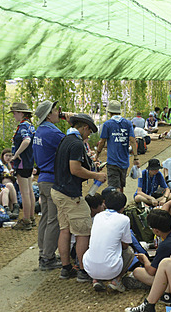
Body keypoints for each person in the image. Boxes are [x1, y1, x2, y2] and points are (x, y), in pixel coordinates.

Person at [52, 114, 106, 283]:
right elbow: (75, 169)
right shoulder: (76, 143)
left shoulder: (65, 139)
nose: (88, 135)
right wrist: (96, 174)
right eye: (89, 131)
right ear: (84, 127)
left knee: (65, 229)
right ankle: (83, 270)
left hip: (58, 190)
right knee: (84, 231)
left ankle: (66, 268)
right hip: (70, 195)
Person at [33, 100, 73, 271]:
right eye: (56, 110)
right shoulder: (53, 133)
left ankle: (43, 252)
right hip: (52, 181)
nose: (59, 112)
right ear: (49, 115)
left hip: (42, 178)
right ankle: (47, 258)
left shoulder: (39, 131)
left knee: (45, 218)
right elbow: (71, 145)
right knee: (54, 220)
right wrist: (72, 124)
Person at [130, 209, 171, 288]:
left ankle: (162, 287)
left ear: (156, 231)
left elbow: (151, 271)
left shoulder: (165, 245)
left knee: (137, 272)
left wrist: (144, 259)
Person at [83, 191, 133, 292]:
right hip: (111, 269)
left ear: (105, 203)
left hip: (89, 267)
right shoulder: (124, 219)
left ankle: (95, 280)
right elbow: (125, 245)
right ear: (122, 207)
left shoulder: (98, 216)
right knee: (130, 253)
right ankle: (116, 280)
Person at [95, 100, 139, 193]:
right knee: (121, 186)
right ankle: (121, 205)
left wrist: (97, 154)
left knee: (114, 188)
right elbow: (132, 140)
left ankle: (116, 206)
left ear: (109, 112)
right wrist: (135, 157)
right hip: (124, 161)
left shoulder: (107, 124)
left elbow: (102, 142)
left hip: (113, 161)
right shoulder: (128, 123)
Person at [9, 102, 36, 230]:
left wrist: (16, 154)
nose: (14, 115)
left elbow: (27, 140)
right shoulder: (31, 126)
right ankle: (31, 217)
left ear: (21, 113)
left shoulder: (23, 126)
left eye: (15, 113)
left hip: (22, 163)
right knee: (29, 190)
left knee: (24, 192)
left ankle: (26, 220)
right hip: (29, 162)